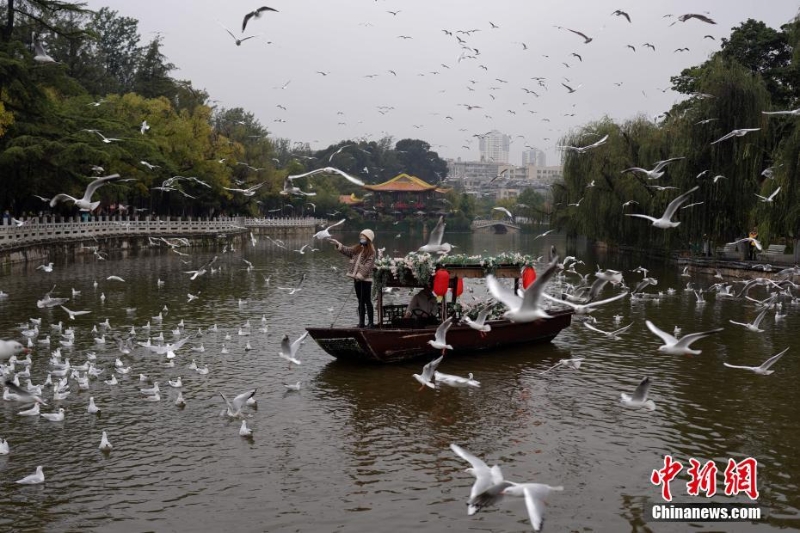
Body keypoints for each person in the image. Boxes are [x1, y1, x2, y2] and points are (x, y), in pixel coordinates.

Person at [331, 229, 377, 328]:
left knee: (367, 300)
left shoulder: (372, 252)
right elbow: (348, 251)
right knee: (360, 300)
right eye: (361, 236)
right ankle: (361, 323)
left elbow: (368, 266)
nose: (361, 238)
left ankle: (371, 323)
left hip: (366, 280)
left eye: (363, 237)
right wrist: (338, 245)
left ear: (368, 239)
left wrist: (360, 275)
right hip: (356, 279)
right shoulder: (357, 248)